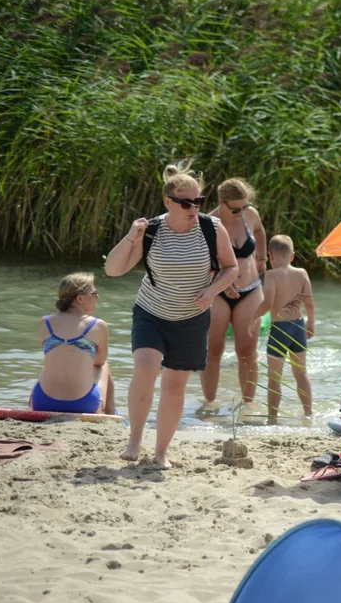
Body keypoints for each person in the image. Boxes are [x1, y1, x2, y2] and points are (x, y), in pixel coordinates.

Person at [105, 161, 238, 468]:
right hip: (151, 312)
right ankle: (135, 439)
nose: (193, 208)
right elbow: (113, 270)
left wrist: (212, 291)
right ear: (168, 202)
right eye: (186, 202)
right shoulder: (151, 231)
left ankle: (161, 452)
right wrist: (130, 237)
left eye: (198, 201)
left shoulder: (211, 228)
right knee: (146, 369)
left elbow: (231, 268)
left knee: (175, 386)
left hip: (191, 319)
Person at [204, 178, 267, 406]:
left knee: (247, 352)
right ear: (221, 202)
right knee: (214, 351)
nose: (241, 212)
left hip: (250, 290)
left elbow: (259, 232)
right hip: (218, 292)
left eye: (245, 206)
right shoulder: (208, 224)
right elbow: (203, 262)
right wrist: (221, 281)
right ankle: (209, 404)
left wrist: (261, 257)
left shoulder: (250, 215)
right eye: (236, 208)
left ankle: (248, 406)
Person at [250, 235, 314, 420]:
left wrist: (252, 320)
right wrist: (311, 323)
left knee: (274, 377)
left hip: (280, 329)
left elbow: (268, 303)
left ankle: (272, 417)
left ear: (271, 255)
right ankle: (308, 413)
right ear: (292, 255)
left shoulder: (271, 275)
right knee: (301, 373)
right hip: (298, 326)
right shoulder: (302, 273)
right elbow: (309, 302)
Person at [31, 273, 116, 415]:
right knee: (104, 365)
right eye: (94, 293)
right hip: (84, 405)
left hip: (42, 402)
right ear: (80, 298)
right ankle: (111, 413)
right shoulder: (98, 325)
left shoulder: (45, 322)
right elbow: (99, 362)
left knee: (52, 361)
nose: (97, 297)